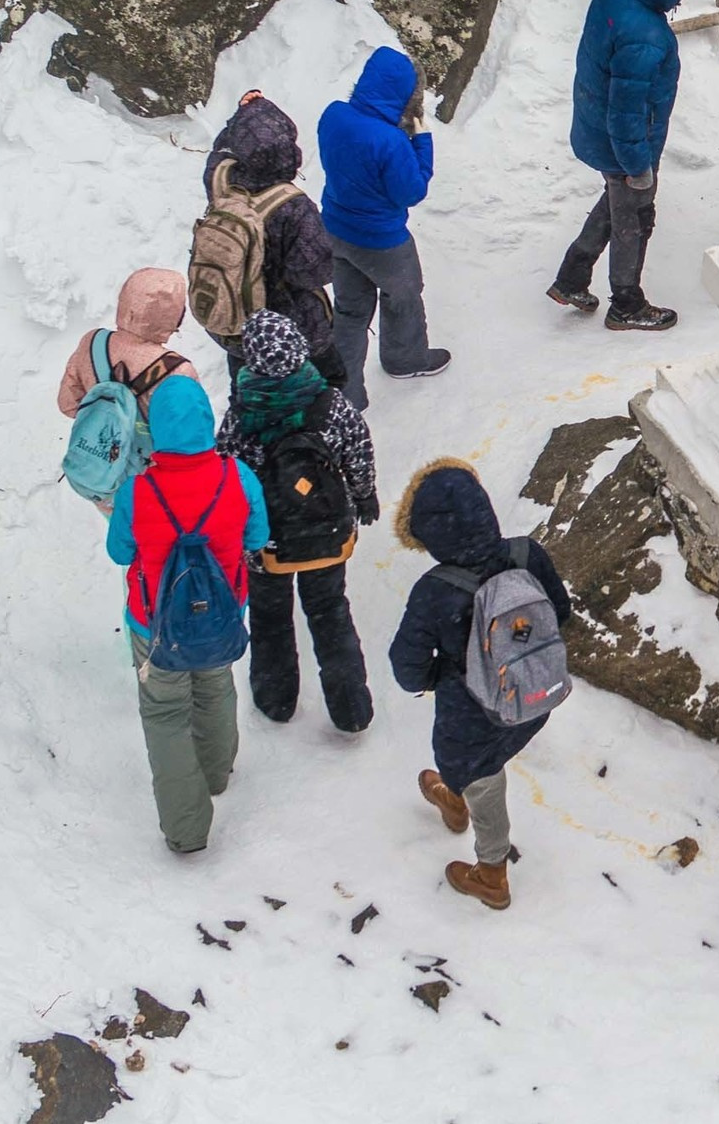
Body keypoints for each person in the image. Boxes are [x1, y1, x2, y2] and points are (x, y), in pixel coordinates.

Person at [388, 460, 578, 911]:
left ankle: (491, 872)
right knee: (484, 759)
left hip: (472, 711)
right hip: (534, 693)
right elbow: (561, 611)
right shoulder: (526, 553)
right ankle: (455, 796)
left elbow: (406, 667)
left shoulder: (435, 589)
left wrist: (442, 676)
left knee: (483, 775)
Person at [102, 375, 267, 854]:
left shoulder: (138, 491)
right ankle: (216, 773)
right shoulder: (237, 477)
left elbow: (119, 552)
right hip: (221, 614)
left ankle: (187, 828)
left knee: (165, 714)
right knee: (215, 687)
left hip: (154, 626)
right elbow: (256, 539)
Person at [213, 310, 380, 731]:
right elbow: (358, 452)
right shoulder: (330, 404)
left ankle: (276, 700)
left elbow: (227, 477)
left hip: (267, 542)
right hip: (327, 533)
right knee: (330, 613)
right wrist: (364, 495)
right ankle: (351, 711)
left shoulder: (242, 414)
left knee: (270, 618)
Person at [551, 0, 707, 331]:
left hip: (596, 128)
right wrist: (638, 166)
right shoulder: (647, 38)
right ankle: (626, 303)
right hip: (625, 148)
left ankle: (572, 277)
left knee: (615, 203)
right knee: (633, 219)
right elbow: (626, 113)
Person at [318, 47, 444, 408]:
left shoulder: (333, 115)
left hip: (336, 230)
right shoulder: (390, 142)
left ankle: (346, 392)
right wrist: (421, 141)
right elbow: (412, 191)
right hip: (382, 241)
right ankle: (406, 359)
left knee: (350, 311)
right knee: (403, 295)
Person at [204, 90, 345, 393]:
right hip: (293, 322)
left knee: (246, 389)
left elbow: (222, 148)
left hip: (236, 316)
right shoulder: (292, 206)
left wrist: (242, 116)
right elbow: (316, 272)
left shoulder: (219, 178)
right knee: (325, 388)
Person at [57, 267, 201, 429]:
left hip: (90, 450)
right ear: (175, 315)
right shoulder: (179, 371)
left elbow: (68, 404)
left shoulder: (93, 341)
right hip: (148, 454)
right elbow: (191, 435)